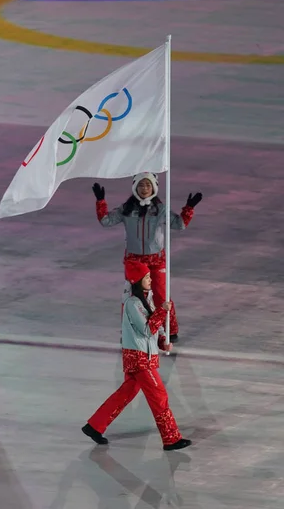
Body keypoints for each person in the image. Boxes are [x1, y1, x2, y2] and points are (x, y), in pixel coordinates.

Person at [82, 259, 191, 451]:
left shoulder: (145, 301)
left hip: (144, 356)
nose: (150, 280)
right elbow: (146, 329)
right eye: (147, 277)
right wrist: (161, 312)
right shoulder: (132, 304)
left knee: (127, 392)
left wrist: (163, 340)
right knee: (159, 395)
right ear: (137, 280)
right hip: (140, 359)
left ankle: (94, 426)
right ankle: (171, 438)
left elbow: (153, 331)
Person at [92, 172, 202, 341]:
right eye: (141, 185)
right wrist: (101, 201)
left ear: (154, 188)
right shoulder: (126, 209)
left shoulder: (160, 209)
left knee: (160, 294)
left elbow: (179, 224)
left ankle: (169, 330)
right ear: (135, 187)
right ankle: (131, 330)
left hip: (156, 259)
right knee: (133, 297)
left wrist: (189, 208)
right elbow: (106, 221)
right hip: (134, 260)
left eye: (148, 185)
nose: (144, 189)